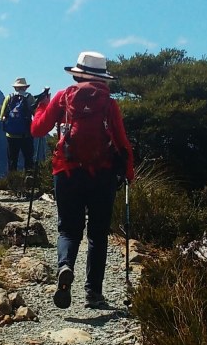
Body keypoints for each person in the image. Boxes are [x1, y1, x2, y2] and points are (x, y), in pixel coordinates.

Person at [30, 51, 135, 309]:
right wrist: (128, 172)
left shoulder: (63, 97)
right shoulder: (109, 103)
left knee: (68, 229)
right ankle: (93, 293)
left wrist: (41, 107)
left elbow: (37, 130)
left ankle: (65, 266)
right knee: (98, 234)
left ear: (77, 74)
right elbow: (122, 142)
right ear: (102, 78)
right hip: (103, 174)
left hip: (66, 172)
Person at [0, 77, 41, 186]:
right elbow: (36, 114)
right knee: (28, 159)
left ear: (15, 87)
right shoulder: (29, 98)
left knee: (12, 160)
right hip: (26, 135)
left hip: (11, 135)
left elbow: (1, 116)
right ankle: (29, 183)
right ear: (25, 87)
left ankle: (12, 184)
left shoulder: (9, 97)